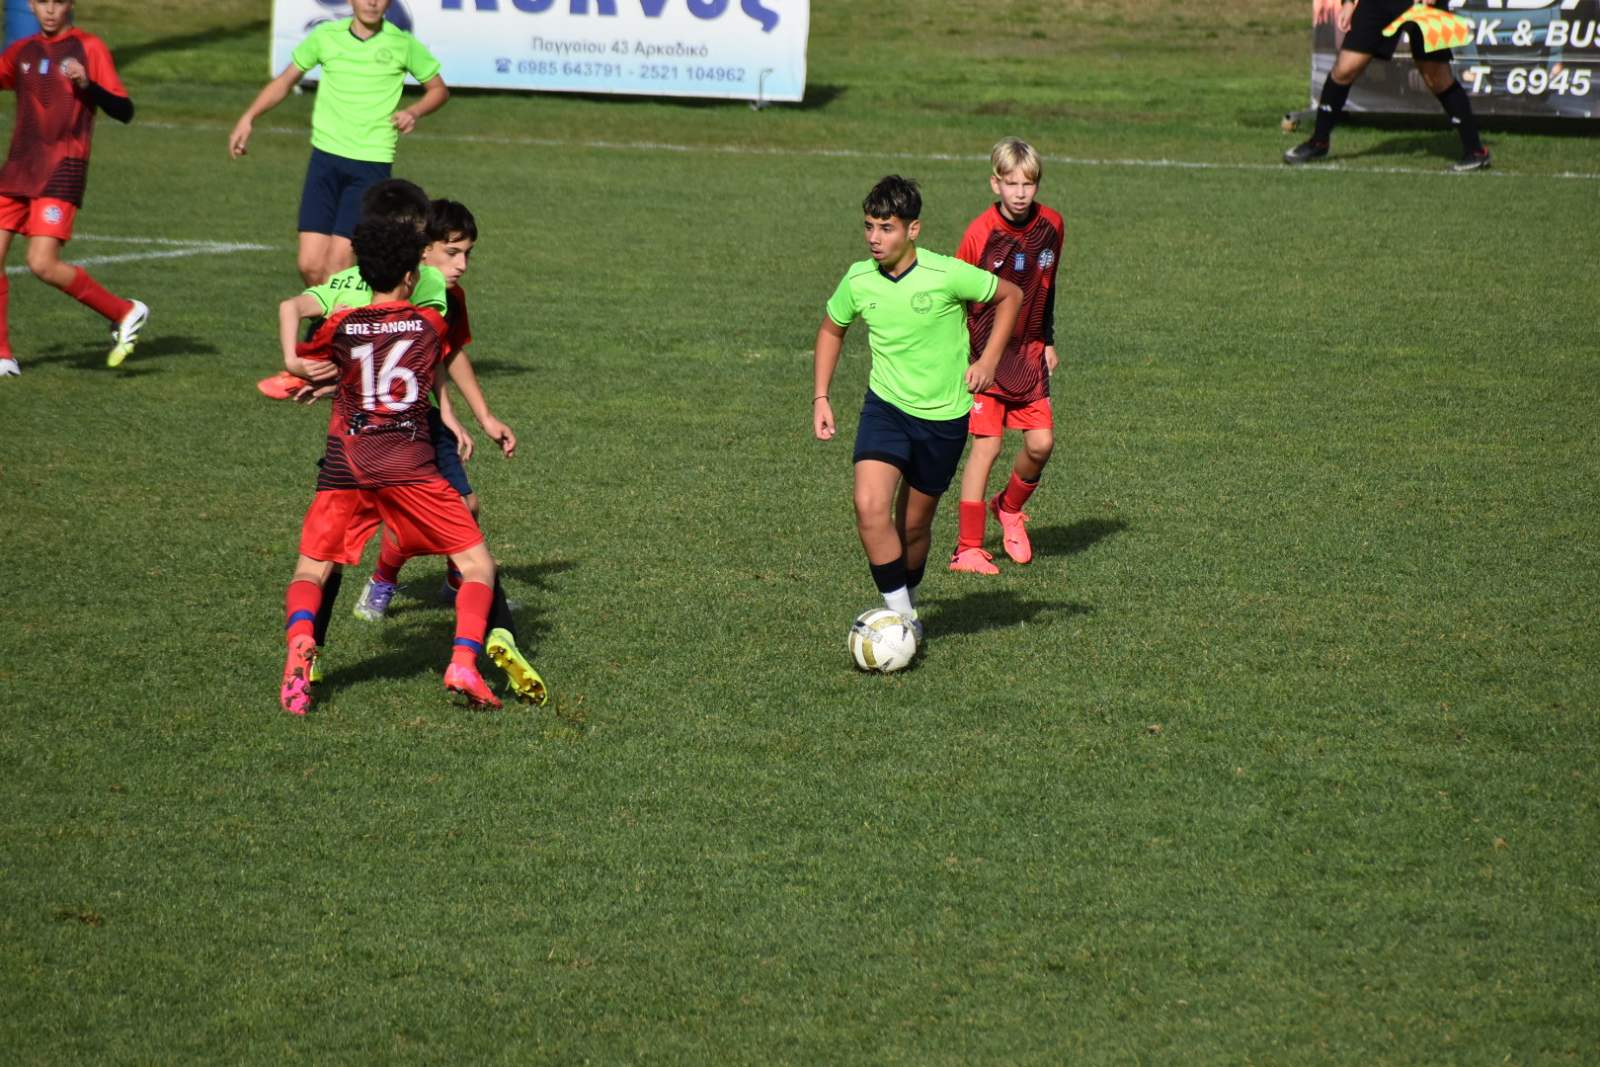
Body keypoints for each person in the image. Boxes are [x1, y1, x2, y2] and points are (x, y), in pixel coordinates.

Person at [279, 217, 502, 714]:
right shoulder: (430, 326)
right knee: (477, 565)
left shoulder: (340, 325)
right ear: (409, 275)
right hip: (407, 463)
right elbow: (426, 366)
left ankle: (300, 647)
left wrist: (308, 378)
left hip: (346, 464)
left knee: (311, 568)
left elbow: (331, 367)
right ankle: (462, 663)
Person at [346, 198, 548, 707]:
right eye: (452, 252)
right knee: (435, 517)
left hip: (428, 420)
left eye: (468, 254)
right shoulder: (397, 291)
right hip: (386, 429)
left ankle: (453, 582)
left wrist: (479, 416)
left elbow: (449, 353)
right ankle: (387, 581)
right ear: (422, 251)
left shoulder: (449, 299)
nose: (462, 265)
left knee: (467, 507)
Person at [812, 175, 1022, 640]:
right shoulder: (858, 278)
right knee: (869, 506)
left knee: (913, 528)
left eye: (886, 228)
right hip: (885, 409)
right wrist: (821, 396)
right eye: (869, 226)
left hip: (944, 419)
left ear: (913, 230)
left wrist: (988, 361)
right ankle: (903, 620)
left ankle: (906, 604)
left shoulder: (946, 274)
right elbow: (831, 329)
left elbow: (1011, 295)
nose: (874, 238)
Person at [228, 0, 448, 285]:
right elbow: (285, 81)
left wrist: (413, 111)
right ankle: (333, 313)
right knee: (309, 265)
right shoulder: (325, 36)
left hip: (370, 164)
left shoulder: (403, 44)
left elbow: (438, 89)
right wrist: (249, 117)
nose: (372, 2)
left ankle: (338, 314)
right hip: (325, 160)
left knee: (338, 266)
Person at [0, 0, 146, 377]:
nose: (50, 10)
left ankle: (124, 311)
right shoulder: (22, 51)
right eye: (43, 2)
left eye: (59, 1)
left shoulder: (89, 47)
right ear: (31, 5)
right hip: (17, 169)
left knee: (42, 264)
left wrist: (87, 84)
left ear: (71, 4)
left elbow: (124, 110)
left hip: (61, 171)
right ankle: (3, 357)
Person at [948, 138, 1065, 574]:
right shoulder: (979, 234)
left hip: (1028, 354)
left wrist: (1047, 340)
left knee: (1041, 443)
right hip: (985, 356)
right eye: (1011, 184)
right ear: (994, 183)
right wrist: (964, 357)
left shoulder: (1052, 226)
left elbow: (1047, 284)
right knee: (988, 447)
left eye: (1028, 184)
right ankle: (967, 548)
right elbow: (955, 296)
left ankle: (1009, 508)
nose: (1020, 193)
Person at [1285, 0, 1490, 171]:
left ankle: (1476, 151)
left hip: (1423, 5)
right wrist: (1348, 3)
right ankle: (1319, 142)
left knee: (1436, 78)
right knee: (1344, 69)